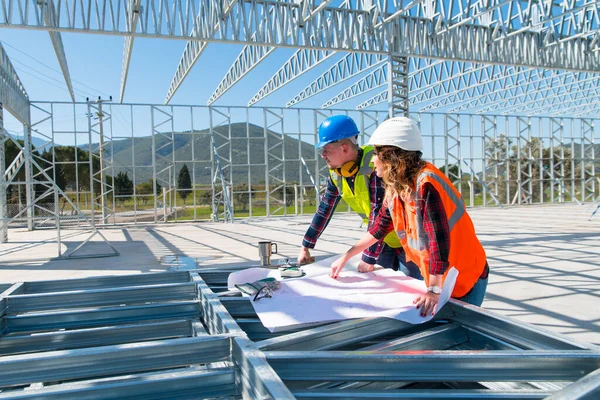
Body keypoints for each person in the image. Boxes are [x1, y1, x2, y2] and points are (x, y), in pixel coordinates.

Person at [330, 116, 489, 317]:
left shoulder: (426, 185)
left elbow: (438, 244)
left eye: (377, 153)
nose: (372, 159)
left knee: (461, 337)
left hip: (464, 278)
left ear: (391, 158)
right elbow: (379, 228)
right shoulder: (397, 188)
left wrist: (433, 290)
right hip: (441, 278)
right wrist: (347, 256)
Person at [298, 115, 420, 276]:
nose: (323, 155)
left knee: (414, 288)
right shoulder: (337, 174)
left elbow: (379, 213)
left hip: (408, 241)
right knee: (381, 286)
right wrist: (306, 245)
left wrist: (368, 258)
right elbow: (324, 209)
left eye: (326, 150)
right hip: (379, 240)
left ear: (344, 148)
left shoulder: (375, 165)